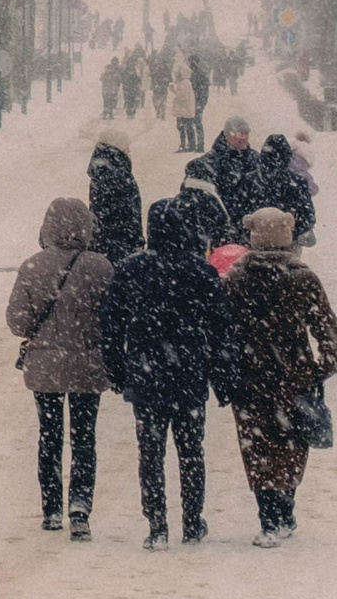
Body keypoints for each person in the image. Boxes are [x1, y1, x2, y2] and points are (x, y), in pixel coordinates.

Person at [97, 196, 240, 549]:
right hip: (188, 374)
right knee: (191, 450)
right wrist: (224, 377)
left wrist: (116, 369)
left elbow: (111, 326)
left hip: (146, 376)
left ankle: (157, 524)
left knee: (150, 452)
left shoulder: (131, 270)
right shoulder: (201, 272)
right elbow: (220, 329)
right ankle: (192, 521)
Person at [222, 210, 337, 545]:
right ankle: (285, 503)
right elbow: (329, 333)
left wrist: (225, 369)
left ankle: (269, 514)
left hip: (249, 377)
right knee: (291, 443)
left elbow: (221, 332)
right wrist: (320, 369)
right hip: (294, 376)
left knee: (256, 444)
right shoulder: (303, 278)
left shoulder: (235, 278)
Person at [7, 196, 112, 538]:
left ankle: (51, 508)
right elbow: (114, 319)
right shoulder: (100, 267)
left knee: (49, 436)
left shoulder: (33, 267)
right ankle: (80, 505)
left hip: (46, 367)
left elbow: (19, 323)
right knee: (84, 438)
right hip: (87, 365)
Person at [252, 129, 315, 246]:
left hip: (256, 242)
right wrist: (292, 230)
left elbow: (240, 214)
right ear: (287, 156)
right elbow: (308, 216)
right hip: (288, 244)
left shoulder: (251, 181)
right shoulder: (297, 183)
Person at [87, 131, 144, 261]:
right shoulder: (120, 175)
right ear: (117, 147)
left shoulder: (99, 172)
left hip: (101, 242)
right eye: (125, 147)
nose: (128, 150)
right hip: (122, 244)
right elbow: (130, 213)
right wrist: (137, 242)